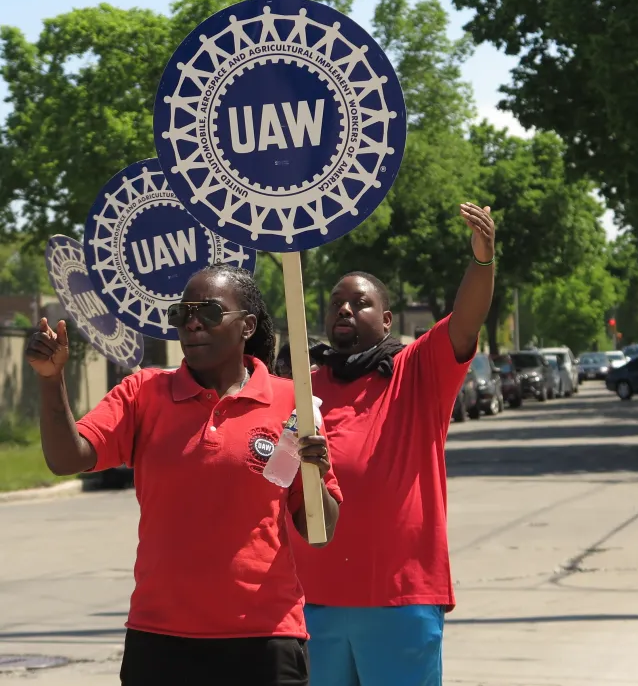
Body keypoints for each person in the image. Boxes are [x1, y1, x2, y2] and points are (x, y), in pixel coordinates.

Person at [25, 265, 342, 686]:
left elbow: (320, 532)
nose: (192, 322)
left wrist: (314, 476)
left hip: (265, 639)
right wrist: (51, 381)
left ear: (247, 325)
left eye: (208, 312)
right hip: (161, 641)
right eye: (182, 313)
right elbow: (68, 458)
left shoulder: (292, 401)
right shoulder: (143, 393)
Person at [292, 202, 495, 686]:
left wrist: (482, 261)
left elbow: (465, 323)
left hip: (400, 598)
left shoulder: (418, 371)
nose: (343, 307)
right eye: (336, 302)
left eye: (358, 302)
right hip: (312, 599)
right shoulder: (302, 383)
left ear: (386, 320)